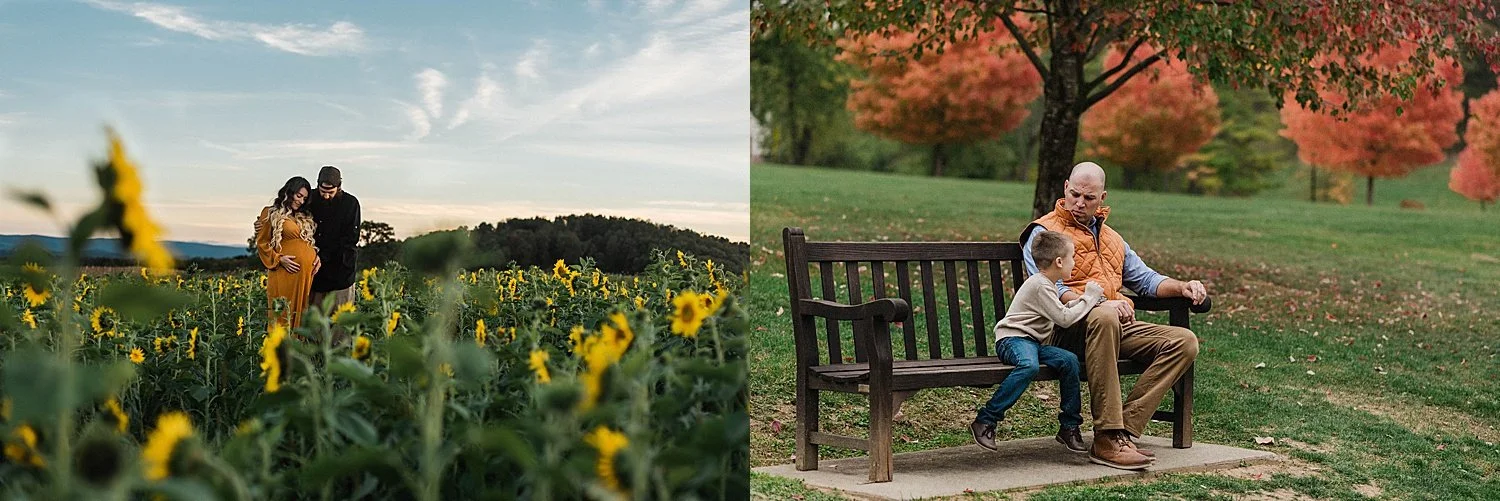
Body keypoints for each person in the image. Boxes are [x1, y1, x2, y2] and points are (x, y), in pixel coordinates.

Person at [1019, 161, 1208, 470]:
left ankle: (1124, 431)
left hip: (1111, 328)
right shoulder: (1043, 233)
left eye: (1089, 198)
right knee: (1105, 317)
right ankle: (1107, 436)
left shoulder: (1112, 239)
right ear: (1065, 187)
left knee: (1183, 341)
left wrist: (1182, 286)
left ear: (1102, 198)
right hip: (1063, 331)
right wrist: (1097, 304)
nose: (1080, 203)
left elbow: (1146, 280)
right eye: (1075, 194)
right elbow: (1050, 288)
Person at [970, 230, 1103, 457]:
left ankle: (1069, 426)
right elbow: (1064, 319)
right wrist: (1089, 297)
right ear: (1059, 261)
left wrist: (1085, 301)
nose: (1075, 262)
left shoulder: (1047, 284)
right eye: (1072, 257)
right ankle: (985, 420)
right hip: (1012, 339)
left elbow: (1062, 311)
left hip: (1032, 343)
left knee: (1069, 361)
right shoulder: (1040, 284)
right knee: (1029, 366)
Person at [255, 176, 321, 328]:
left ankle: (297, 349)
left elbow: (307, 242)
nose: (301, 201)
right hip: (285, 272)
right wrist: (279, 259)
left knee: (300, 315)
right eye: (299, 196)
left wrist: (316, 256)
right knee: (283, 315)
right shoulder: (270, 212)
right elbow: (262, 243)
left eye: (304, 198)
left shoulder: (301, 216)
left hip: (305, 275)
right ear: (289, 192)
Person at [305, 166, 361, 323]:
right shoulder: (310, 200)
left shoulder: (351, 204)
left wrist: (323, 256)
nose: (326, 196)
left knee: (340, 326)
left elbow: (350, 238)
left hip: (340, 273)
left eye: (330, 192)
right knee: (313, 325)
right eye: (323, 191)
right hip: (315, 274)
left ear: (339, 186)